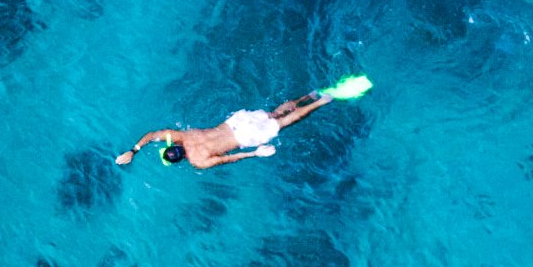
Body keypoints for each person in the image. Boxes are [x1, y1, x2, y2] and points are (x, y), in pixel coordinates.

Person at [114, 77, 371, 169]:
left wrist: (256, 153)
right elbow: (152, 134)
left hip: (245, 138)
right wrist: (134, 150)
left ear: (179, 160)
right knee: (273, 114)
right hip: (238, 121)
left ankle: (322, 101)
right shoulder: (182, 135)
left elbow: (230, 159)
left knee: (285, 123)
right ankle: (309, 95)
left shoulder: (198, 161)